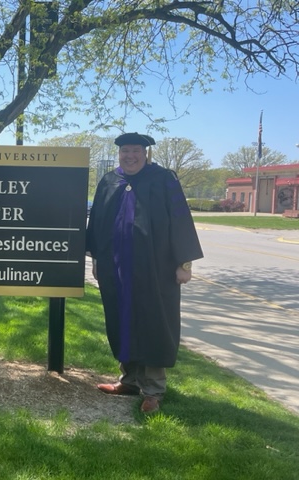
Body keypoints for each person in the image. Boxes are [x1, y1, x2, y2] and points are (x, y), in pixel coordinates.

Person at [85, 132, 203, 413]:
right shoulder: (110, 180)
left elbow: (180, 218)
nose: (130, 156)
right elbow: (99, 221)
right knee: (121, 318)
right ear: (119, 154)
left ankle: (153, 390)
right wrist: (97, 259)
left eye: (136, 151)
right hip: (116, 267)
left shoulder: (163, 179)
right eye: (125, 151)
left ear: (146, 153)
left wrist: (184, 263)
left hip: (156, 268)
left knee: (153, 321)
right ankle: (128, 381)